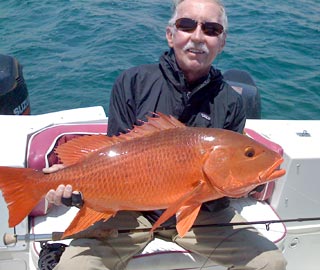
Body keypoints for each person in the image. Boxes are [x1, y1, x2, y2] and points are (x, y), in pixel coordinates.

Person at [45, 0, 287, 269]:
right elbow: (111, 157)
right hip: (128, 211)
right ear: (170, 35)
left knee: (270, 262)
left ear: (222, 42)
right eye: (186, 25)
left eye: (211, 29)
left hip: (204, 217)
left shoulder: (231, 102)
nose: (197, 37)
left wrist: (247, 182)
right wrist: (75, 187)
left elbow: (223, 180)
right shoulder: (133, 82)